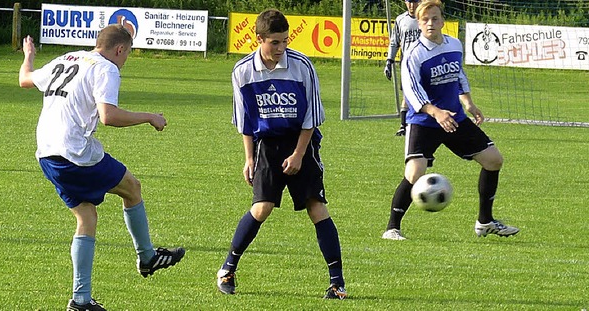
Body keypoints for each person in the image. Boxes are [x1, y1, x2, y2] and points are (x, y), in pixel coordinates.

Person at [18, 25, 185, 311]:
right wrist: (150, 117)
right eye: (128, 54)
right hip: (75, 153)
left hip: (47, 154)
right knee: (132, 188)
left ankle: (81, 301)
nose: (125, 60)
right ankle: (147, 257)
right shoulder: (106, 68)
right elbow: (108, 115)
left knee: (86, 217)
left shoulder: (67, 58)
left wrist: (29, 55)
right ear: (120, 49)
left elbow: (24, 79)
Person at [216, 9, 347, 300]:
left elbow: (311, 117)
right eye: (274, 42)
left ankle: (337, 283)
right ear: (258, 38)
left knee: (317, 207)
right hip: (267, 146)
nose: (281, 48)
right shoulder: (242, 71)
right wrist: (249, 159)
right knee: (261, 208)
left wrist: (300, 154)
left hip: (303, 141)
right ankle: (227, 269)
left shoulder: (302, 66)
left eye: (285, 41)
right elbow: (246, 122)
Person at [381, 0, 519, 241]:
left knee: (493, 160)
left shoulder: (454, 45)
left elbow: (459, 75)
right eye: (425, 20)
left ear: (443, 21)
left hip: (454, 117)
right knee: (415, 173)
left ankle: (485, 222)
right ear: (419, 23)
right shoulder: (414, 54)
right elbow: (412, 92)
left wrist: (468, 103)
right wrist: (436, 112)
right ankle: (392, 228)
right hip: (424, 121)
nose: (430, 23)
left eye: (435, 18)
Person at [384, 0, 422, 136]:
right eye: (409, 2)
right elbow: (394, 42)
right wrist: (389, 60)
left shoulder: (426, 18)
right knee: (407, 93)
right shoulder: (401, 20)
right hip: (407, 64)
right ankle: (403, 125)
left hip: (425, 62)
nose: (412, 5)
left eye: (415, 1)